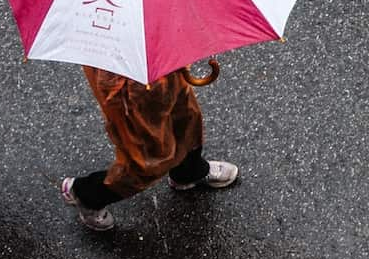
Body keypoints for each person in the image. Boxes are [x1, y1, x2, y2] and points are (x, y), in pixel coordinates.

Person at [60, 67, 237, 231]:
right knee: (148, 159)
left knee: (185, 118)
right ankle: (88, 194)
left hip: (165, 65)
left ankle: (189, 171)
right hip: (130, 85)